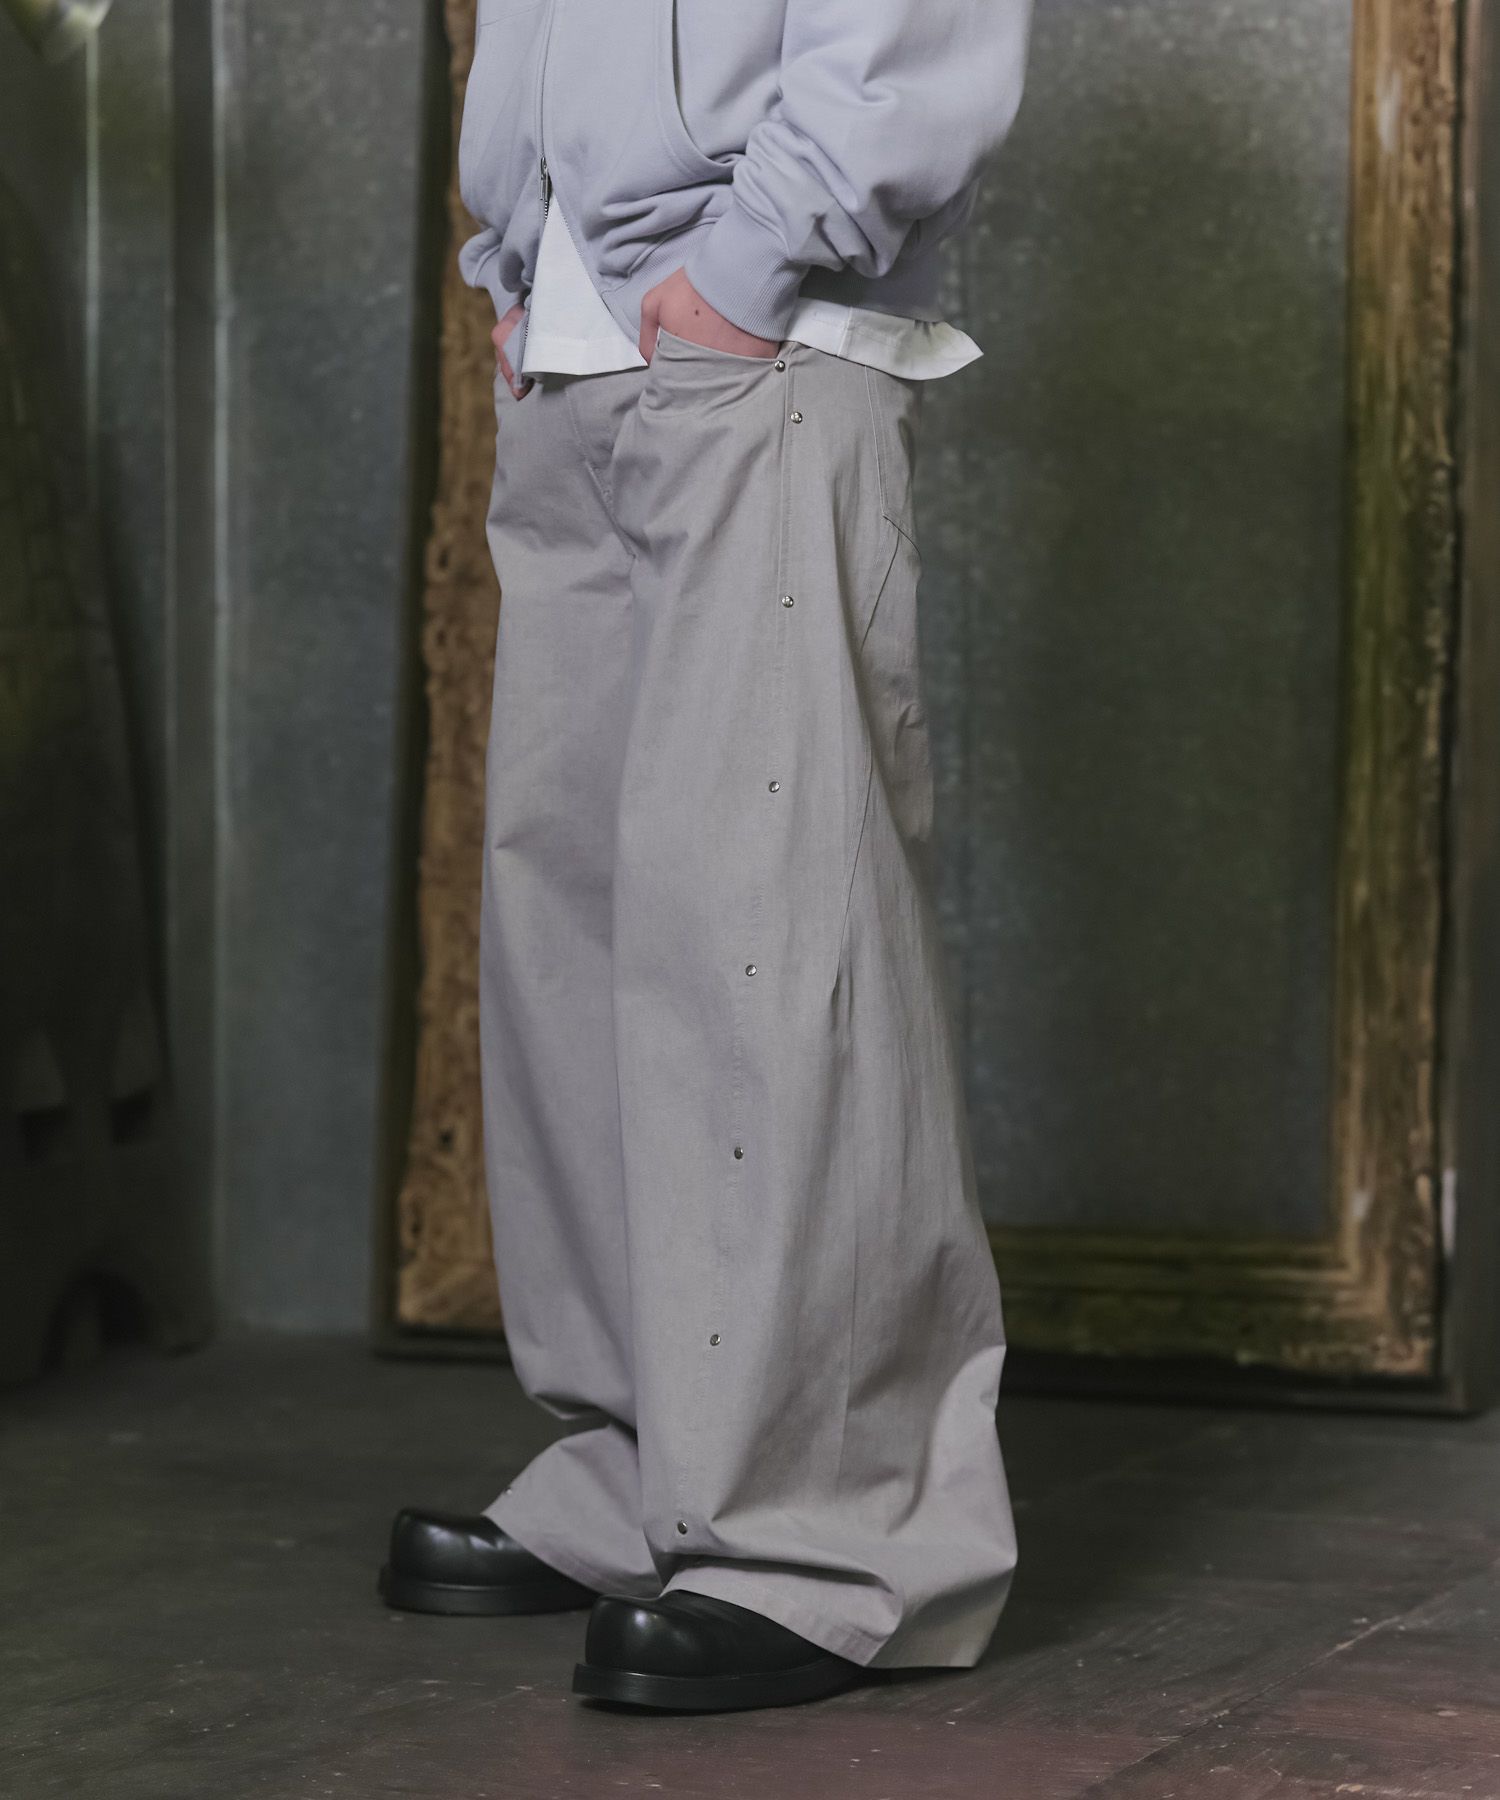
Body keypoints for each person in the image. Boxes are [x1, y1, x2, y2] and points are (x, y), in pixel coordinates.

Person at [381, 0, 1034, 1715]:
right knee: (579, 937)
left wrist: (753, 260)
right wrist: (520, 261)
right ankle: (644, 1469)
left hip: (757, 327)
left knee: (771, 924)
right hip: (577, 338)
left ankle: (834, 1541)